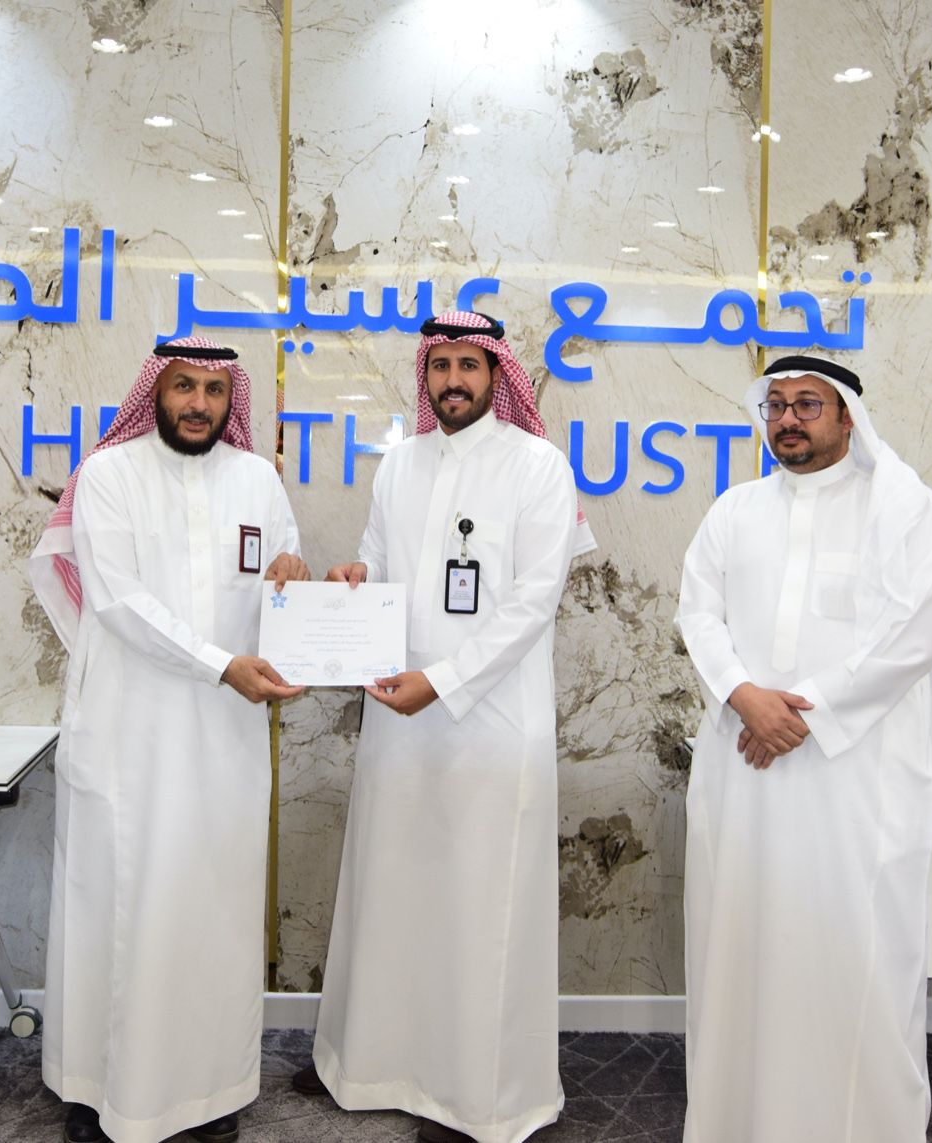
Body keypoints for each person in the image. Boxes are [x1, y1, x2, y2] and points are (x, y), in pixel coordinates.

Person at [298, 311, 595, 1143]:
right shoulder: (401, 463)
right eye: (441, 366)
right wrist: (356, 580)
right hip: (402, 718)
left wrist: (446, 680)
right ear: (425, 375)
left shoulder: (538, 466)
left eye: (470, 365)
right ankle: (375, 1065)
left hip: (491, 725)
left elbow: (534, 601)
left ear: (496, 374)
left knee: (479, 910)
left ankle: (476, 1095)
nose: (454, 380)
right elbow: (379, 561)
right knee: (393, 896)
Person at [675, 354, 932, 1142]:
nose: (788, 419)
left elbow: (919, 631)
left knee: (854, 956)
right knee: (743, 948)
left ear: (847, 416)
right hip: (745, 769)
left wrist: (807, 715)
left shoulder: (899, 507)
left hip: (856, 781)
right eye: (775, 404)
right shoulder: (735, 510)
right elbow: (697, 614)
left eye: (808, 404)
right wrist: (745, 694)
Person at [29, 337, 310, 1143]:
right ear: (155, 390)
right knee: (119, 904)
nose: (198, 403)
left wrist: (295, 577)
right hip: (131, 732)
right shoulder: (108, 475)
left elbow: (280, 580)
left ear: (231, 399)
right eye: (184, 385)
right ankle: (100, 1088)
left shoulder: (258, 479)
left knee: (214, 909)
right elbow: (118, 601)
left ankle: (208, 1090)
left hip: (225, 737)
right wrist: (222, 664)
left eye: (214, 390)